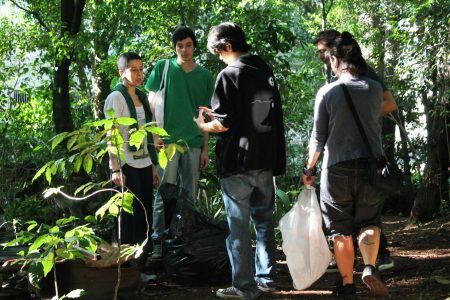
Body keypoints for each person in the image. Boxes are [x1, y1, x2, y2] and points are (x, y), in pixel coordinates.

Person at [194, 22, 286, 299]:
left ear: (228, 46)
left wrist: (202, 124)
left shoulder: (228, 75)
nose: (218, 57)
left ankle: (244, 286)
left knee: (238, 229)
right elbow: (251, 112)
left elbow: (223, 125)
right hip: (265, 159)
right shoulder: (263, 70)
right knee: (264, 222)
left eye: (218, 52)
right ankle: (266, 278)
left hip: (238, 163)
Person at [303, 32, 389, 298]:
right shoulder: (374, 89)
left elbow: (318, 138)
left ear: (336, 60)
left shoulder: (328, 91)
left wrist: (309, 170)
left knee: (340, 229)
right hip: (371, 167)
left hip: (337, 167)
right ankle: (370, 266)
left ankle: (347, 285)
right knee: (369, 221)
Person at [145, 25, 215, 258]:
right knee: (164, 193)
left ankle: (184, 244)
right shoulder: (164, 68)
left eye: (188, 45)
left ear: (194, 46)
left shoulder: (205, 76)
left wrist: (206, 148)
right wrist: (156, 137)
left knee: (189, 196)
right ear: (174, 47)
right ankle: (157, 244)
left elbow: (206, 115)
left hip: (194, 143)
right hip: (168, 143)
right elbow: (150, 104)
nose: (184, 50)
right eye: (180, 46)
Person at [104, 52, 160, 279]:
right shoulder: (115, 97)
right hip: (126, 164)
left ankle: (141, 266)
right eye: (133, 70)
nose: (139, 74)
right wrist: (116, 168)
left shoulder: (142, 97)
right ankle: (126, 269)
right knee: (128, 217)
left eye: (141, 69)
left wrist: (154, 166)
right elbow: (111, 134)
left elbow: (149, 133)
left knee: (145, 214)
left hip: (145, 163)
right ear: (122, 72)